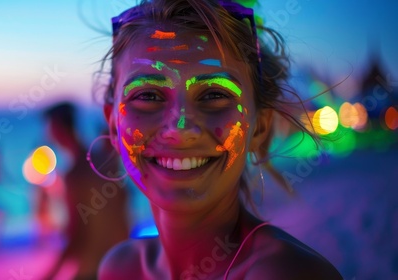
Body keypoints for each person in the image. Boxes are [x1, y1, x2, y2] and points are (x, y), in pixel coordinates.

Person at [96, 0, 343, 279]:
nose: (180, 128)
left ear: (259, 127)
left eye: (214, 94)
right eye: (148, 95)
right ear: (114, 126)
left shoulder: (287, 273)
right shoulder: (119, 268)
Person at [43, 102, 129, 280]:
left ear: (56, 128)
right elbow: (123, 204)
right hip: (121, 263)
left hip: (92, 268)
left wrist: (49, 275)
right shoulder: (103, 160)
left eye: (49, 127)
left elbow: (76, 236)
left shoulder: (75, 174)